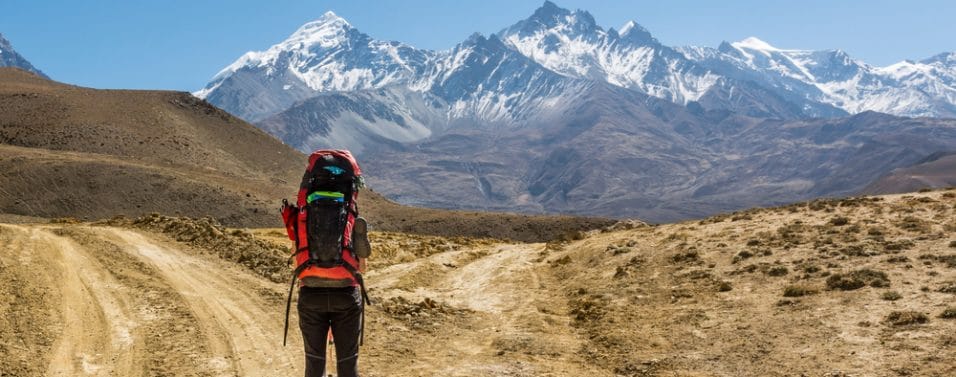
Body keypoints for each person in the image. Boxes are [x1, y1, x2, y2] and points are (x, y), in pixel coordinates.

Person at [296, 217, 372, 377]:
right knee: (347, 362)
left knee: (314, 361)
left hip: (310, 295)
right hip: (346, 295)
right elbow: (362, 268)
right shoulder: (349, 219)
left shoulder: (305, 219)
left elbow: (297, 266)